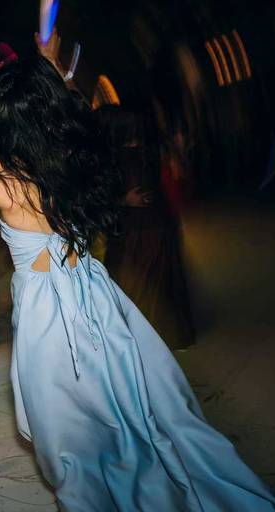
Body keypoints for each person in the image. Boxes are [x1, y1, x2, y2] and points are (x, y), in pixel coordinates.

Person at [0, 50, 275, 511]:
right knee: (129, 399)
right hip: (94, 287)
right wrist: (54, 67)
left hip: (45, 308)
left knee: (69, 421)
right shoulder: (67, 154)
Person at [97, 106, 195, 349]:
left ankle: (143, 341)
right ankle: (166, 337)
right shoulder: (143, 154)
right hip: (152, 226)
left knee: (139, 287)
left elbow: (119, 196)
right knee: (156, 286)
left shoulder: (122, 158)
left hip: (139, 232)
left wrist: (121, 201)